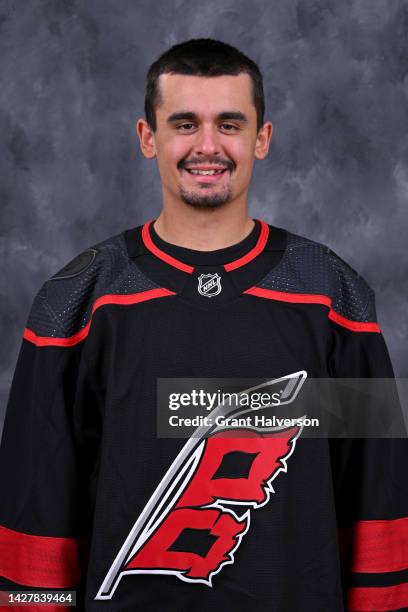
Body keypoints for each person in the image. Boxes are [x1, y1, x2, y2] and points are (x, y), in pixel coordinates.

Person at [0, 38, 406, 612]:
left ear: (262, 138)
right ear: (148, 137)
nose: (208, 146)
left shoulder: (334, 294)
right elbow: (36, 509)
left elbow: (378, 500)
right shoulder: (76, 300)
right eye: (185, 123)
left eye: (230, 124)